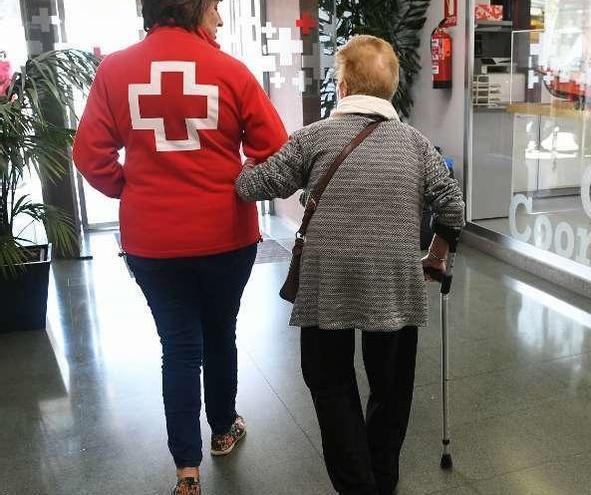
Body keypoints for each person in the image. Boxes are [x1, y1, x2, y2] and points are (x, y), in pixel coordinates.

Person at [71, 1, 288, 493]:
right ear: (194, 10)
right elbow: (275, 146)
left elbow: (89, 153)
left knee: (179, 346)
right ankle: (223, 429)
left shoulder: (115, 70)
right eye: (214, 7)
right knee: (219, 334)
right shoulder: (230, 71)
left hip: (152, 240)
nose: (220, 18)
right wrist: (242, 178)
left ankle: (186, 470)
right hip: (224, 235)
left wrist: (127, 188)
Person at [235, 35, 465, 495]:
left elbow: (254, 185)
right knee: (391, 387)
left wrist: (234, 158)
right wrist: (438, 251)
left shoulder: (313, 137)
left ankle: (356, 485)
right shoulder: (416, 144)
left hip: (327, 284)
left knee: (330, 383)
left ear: (341, 85)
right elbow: (453, 208)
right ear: (392, 88)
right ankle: (382, 477)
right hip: (395, 284)